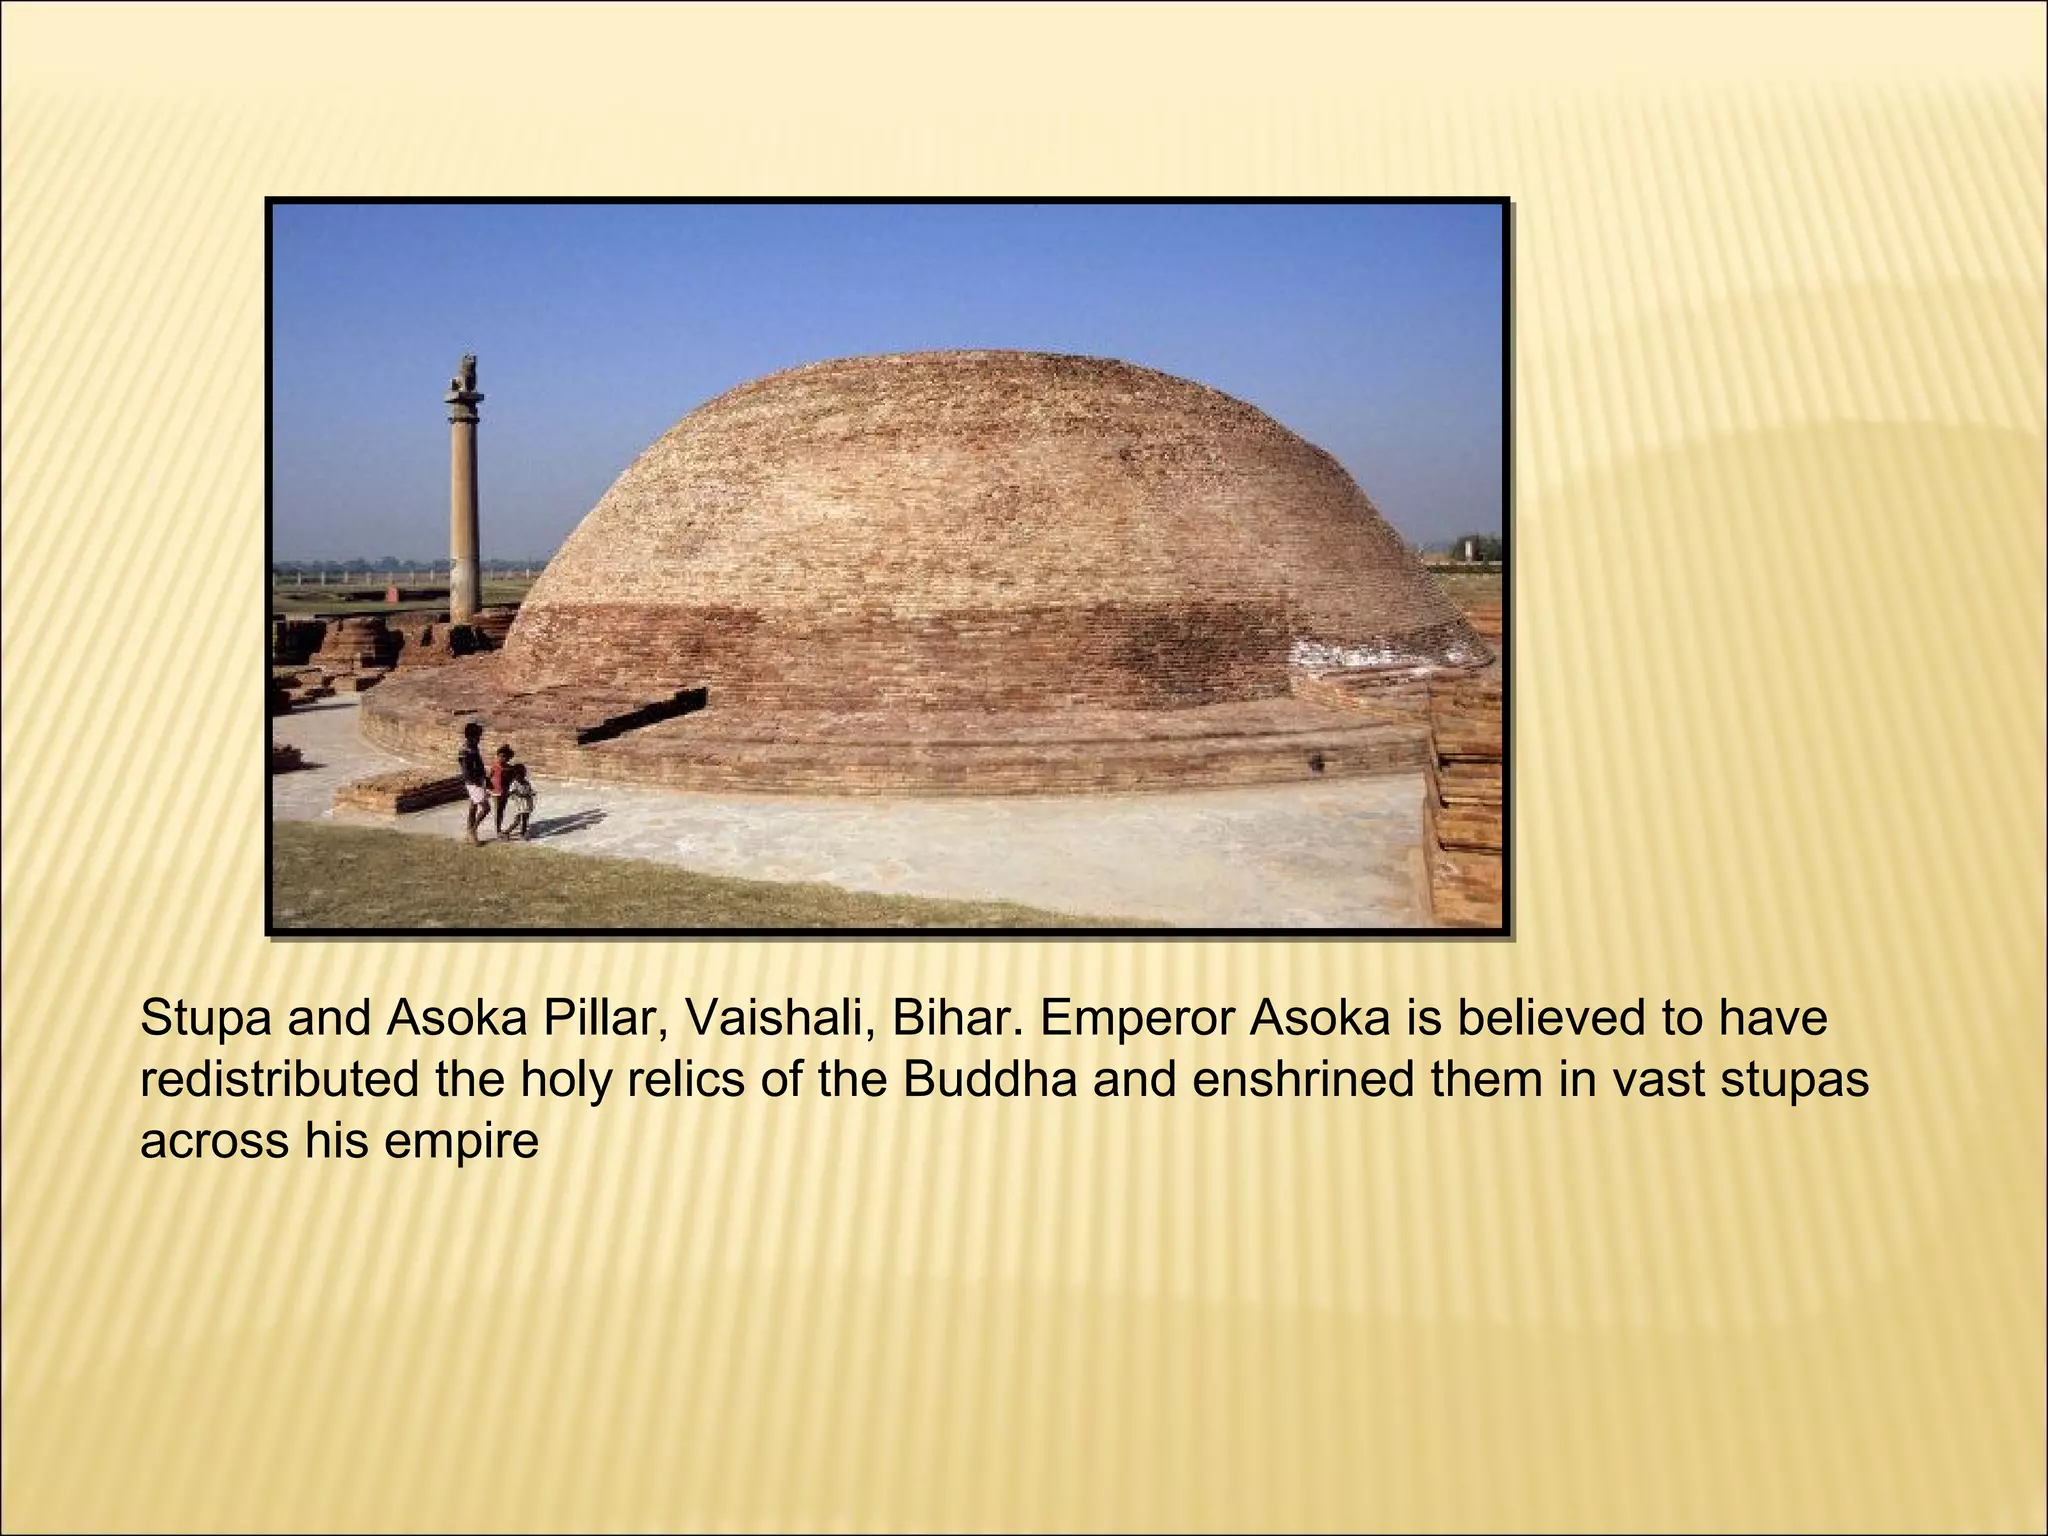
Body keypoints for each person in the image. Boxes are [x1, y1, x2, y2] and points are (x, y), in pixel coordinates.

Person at [458, 721, 490, 844]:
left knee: (473, 807)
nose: (479, 739)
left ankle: (469, 834)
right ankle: (473, 830)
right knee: (486, 808)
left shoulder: (473, 747)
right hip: (473, 783)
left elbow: (479, 763)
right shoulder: (464, 751)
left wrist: (485, 778)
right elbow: (466, 770)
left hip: (478, 780)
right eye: (478, 736)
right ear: (471, 736)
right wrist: (476, 782)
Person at [503, 763, 536, 840]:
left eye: (523, 775)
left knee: (525, 819)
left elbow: (530, 790)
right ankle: (506, 832)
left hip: (526, 804)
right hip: (519, 805)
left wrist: (532, 792)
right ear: (515, 775)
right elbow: (515, 793)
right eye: (519, 776)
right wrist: (524, 795)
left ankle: (523, 833)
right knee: (517, 821)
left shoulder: (526, 782)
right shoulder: (514, 784)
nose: (521, 777)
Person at [489, 743, 515, 837]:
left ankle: (499, 828)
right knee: (498, 810)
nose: (501, 758)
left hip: (505, 793)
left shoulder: (510, 769)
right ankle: (498, 830)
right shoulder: (494, 767)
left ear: (508, 758)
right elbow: (489, 777)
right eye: (500, 756)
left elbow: (512, 780)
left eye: (504, 757)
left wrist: (510, 790)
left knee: (501, 810)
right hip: (496, 793)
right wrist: (488, 789)